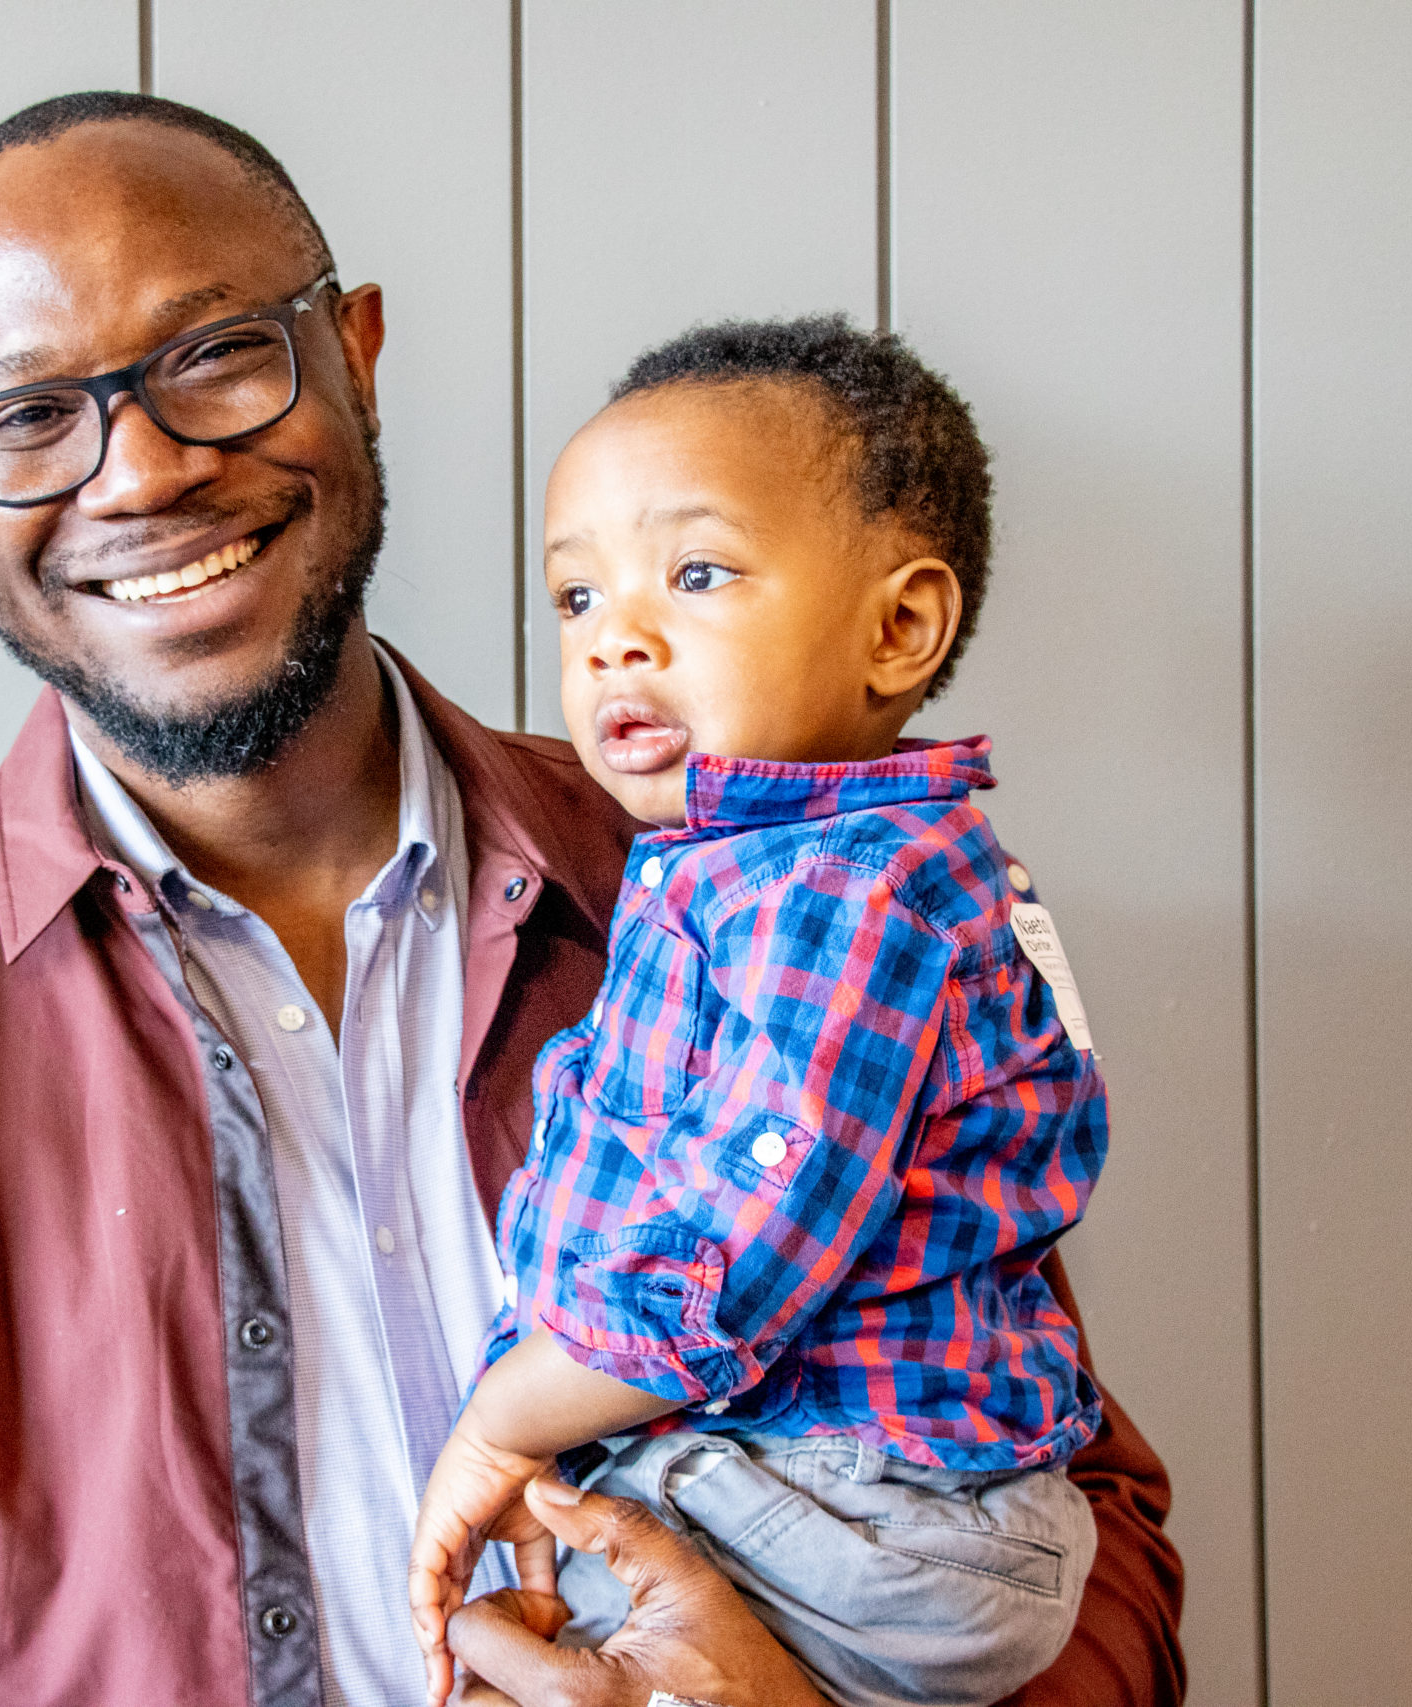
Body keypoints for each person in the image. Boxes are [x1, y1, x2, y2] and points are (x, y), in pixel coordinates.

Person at [0, 90, 1184, 1707]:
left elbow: (1071, 1513)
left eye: (214, 352)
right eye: (23, 420)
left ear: (352, 354)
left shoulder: (753, 892)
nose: (141, 472)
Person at [409, 319, 1106, 1707]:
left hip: (876, 1510)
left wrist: (500, 1424)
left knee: (547, 1575)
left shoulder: (837, 897)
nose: (617, 643)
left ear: (898, 626)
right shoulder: (759, 871)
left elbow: (738, 1252)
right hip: (862, 1496)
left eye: (698, 573)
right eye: (577, 600)